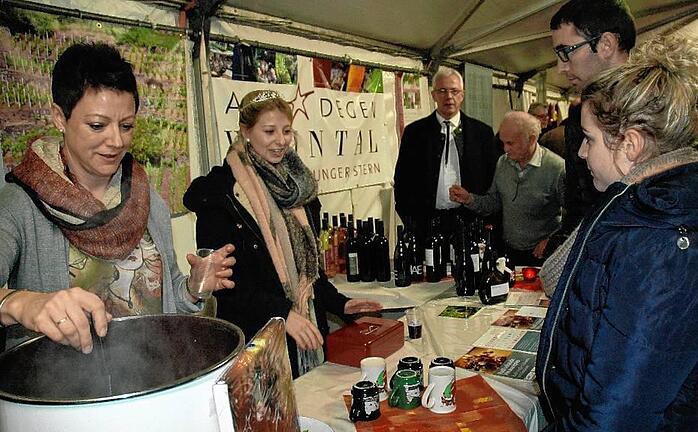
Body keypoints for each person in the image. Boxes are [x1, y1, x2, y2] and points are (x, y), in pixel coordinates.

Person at [536, 35, 698, 431]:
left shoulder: (663, 241)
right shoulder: (646, 210)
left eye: (589, 139)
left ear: (630, 145)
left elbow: (617, 411)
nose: (582, 154)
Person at [0, 42, 236, 355]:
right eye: (97, 125)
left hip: (149, 377)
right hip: (64, 395)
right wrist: (21, 302)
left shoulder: (145, 199)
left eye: (126, 126)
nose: (116, 141)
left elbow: (164, 298)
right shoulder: (21, 205)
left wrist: (191, 288)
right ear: (59, 117)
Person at [183, 90, 382, 378]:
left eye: (286, 131)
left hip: (306, 335)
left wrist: (341, 303)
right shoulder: (221, 196)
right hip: (257, 346)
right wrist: (283, 313)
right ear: (245, 132)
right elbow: (228, 286)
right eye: (269, 131)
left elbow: (310, 274)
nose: (281, 141)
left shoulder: (298, 190)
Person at [544, 0, 698, 259]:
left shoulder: (693, 107)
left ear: (606, 44)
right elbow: (579, 206)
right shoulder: (577, 119)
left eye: (566, 51)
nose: (561, 66)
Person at [393, 66, 500, 245]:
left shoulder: (482, 133)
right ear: (433, 95)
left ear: (463, 95)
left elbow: (492, 182)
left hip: (470, 224)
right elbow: (402, 181)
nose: (449, 97)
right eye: (442, 91)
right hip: (426, 224)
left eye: (454, 91)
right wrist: (412, 222)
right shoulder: (415, 133)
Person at [449, 112, 564, 266]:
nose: (505, 149)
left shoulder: (556, 168)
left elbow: (576, 216)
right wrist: (469, 199)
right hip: (509, 252)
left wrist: (552, 240)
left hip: (543, 257)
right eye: (503, 143)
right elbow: (495, 202)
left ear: (531, 139)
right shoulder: (503, 163)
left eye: (510, 143)